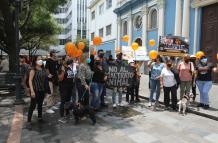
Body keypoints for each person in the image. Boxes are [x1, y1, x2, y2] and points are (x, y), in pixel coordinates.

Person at [27, 56, 47, 129]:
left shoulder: (42, 69)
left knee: (40, 105)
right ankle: (28, 121)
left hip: (42, 90)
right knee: (32, 106)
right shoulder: (33, 70)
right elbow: (30, 80)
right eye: (38, 59)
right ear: (35, 61)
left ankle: (40, 118)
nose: (40, 60)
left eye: (41, 59)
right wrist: (32, 91)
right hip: (35, 90)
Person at [58, 58, 75, 123]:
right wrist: (62, 71)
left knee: (68, 101)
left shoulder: (69, 68)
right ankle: (61, 117)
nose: (69, 60)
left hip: (69, 87)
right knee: (63, 102)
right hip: (64, 88)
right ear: (63, 61)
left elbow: (71, 76)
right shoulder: (62, 68)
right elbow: (60, 79)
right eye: (67, 59)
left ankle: (67, 113)